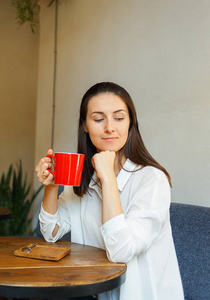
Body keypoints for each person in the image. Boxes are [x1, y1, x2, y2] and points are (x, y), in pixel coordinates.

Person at [35, 82, 183, 300]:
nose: (110, 127)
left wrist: (109, 178)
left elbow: (121, 251)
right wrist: (52, 186)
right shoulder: (86, 179)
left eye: (119, 118)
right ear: (84, 125)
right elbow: (50, 233)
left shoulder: (152, 180)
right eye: (98, 119)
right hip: (95, 293)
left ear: (131, 122)